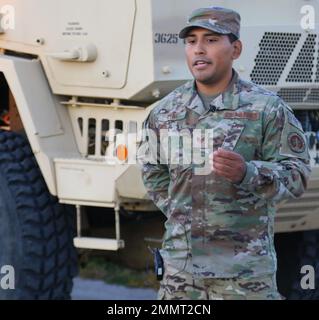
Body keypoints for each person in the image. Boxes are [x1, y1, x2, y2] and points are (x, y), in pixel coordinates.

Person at [138, 6, 311, 300]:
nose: (199, 49)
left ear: (236, 48)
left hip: (244, 273)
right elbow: (153, 174)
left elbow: (296, 176)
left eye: (212, 40)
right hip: (181, 273)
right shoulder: (166, 112)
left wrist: (248, 173)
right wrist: (189, 216)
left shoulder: (266, 108)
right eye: (191, 41)